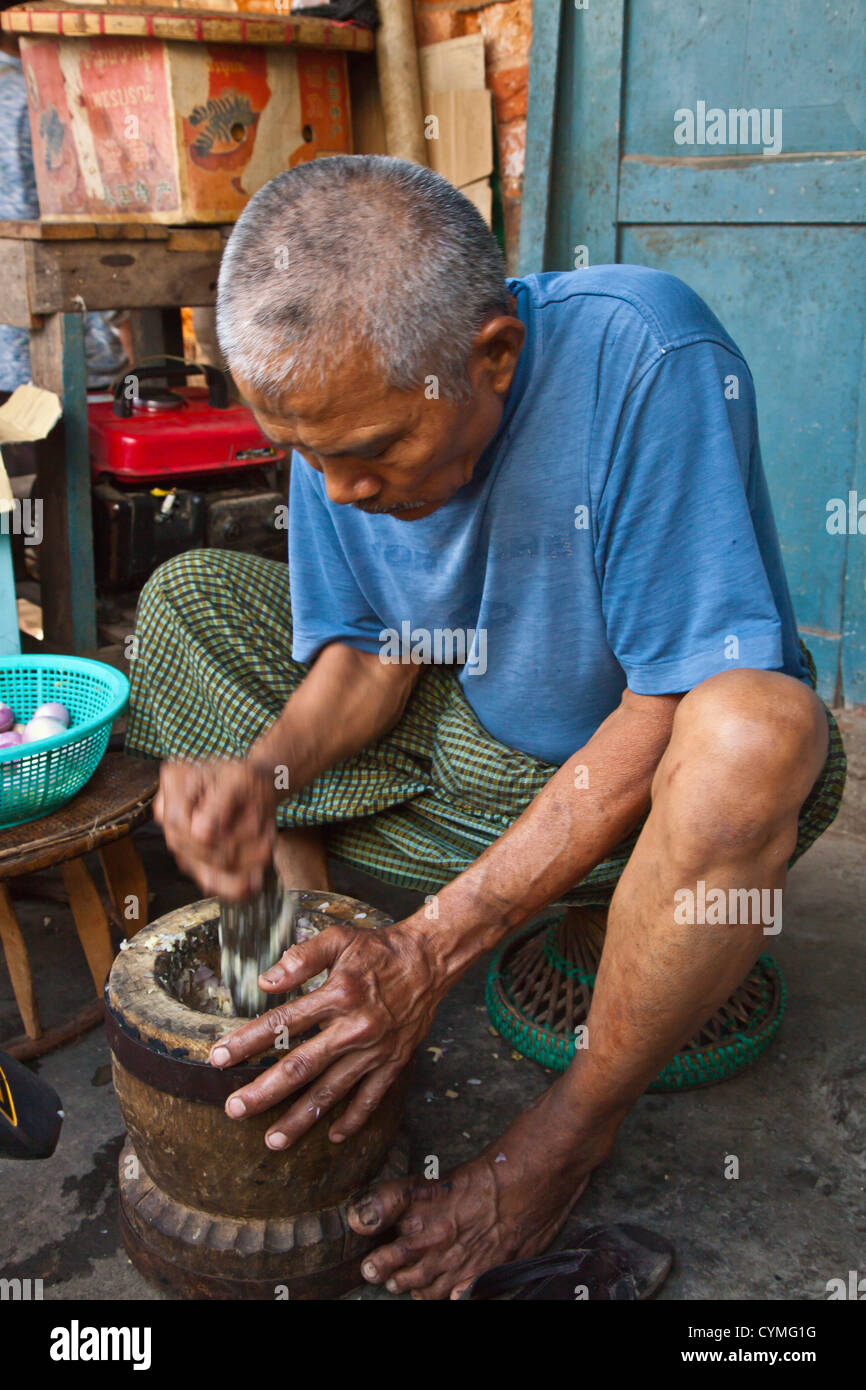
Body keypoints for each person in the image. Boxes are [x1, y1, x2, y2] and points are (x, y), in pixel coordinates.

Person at [127, 155, 845, 1300]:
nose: (338, 487)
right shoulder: (338, 409)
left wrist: (433, 946)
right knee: (189, 602)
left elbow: (663, 701)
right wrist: (266, 773)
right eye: (307, 454)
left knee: (757, 730)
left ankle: (565, 1136)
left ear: (492, 358)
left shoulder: (646, 356)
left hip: (622, 790)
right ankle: (312, 998)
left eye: (367, 453)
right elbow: (367, 652)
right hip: (460, 746)